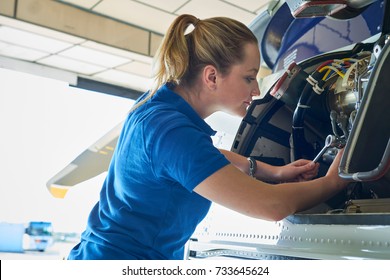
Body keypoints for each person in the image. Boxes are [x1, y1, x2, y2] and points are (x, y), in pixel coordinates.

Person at [68, 14, 348, 260]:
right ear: (212, 77)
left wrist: (269, 172)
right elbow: (270, 205)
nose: (255, 91)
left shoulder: (156, 108)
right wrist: (333, 181)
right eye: (249, 78)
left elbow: (196, 157)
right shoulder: (170, 132)